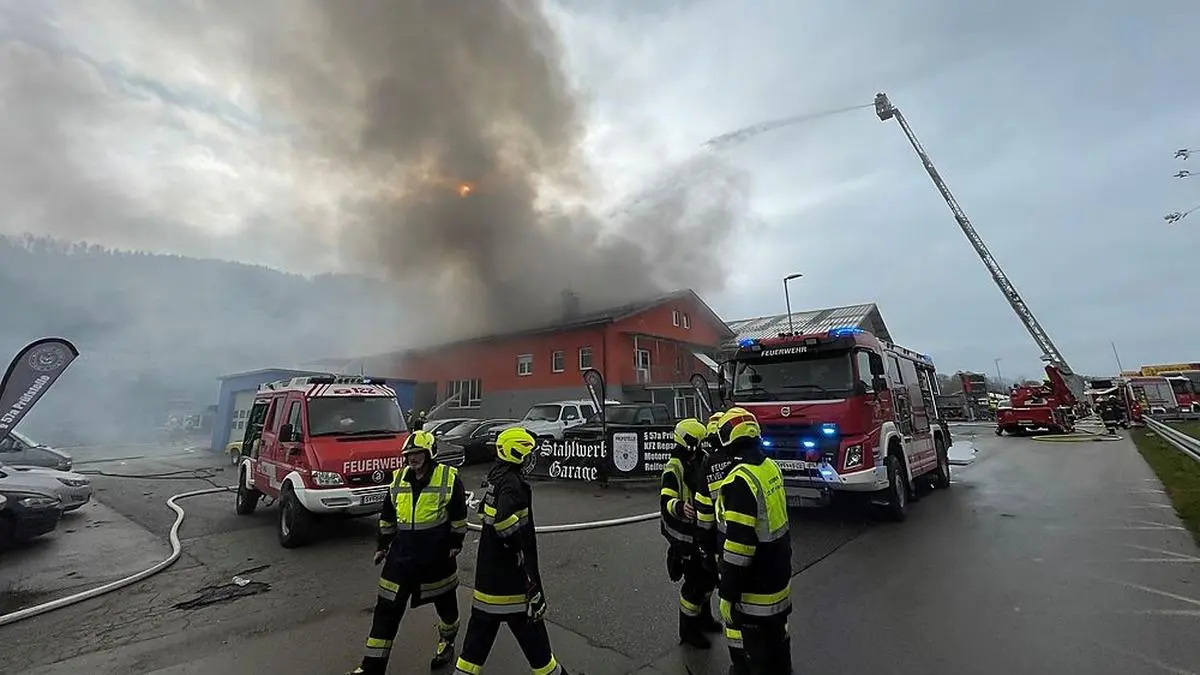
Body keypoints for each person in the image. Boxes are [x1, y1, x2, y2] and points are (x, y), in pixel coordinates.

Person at [454, 427, 575, 675]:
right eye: (528, 454)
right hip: (512, 585)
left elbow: (485, 515)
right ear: (516, 453)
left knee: (473, 651)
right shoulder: (512, 485)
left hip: (487, 583)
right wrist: (518, 547)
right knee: (538, 648)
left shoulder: (496, 478)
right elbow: (502, 521)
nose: (532, 459)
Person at [346, 430, 468, 675]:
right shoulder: (398, 479)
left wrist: (456, 542)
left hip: (437, 555)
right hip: (401, 556)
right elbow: (388, 516)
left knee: (446, 604)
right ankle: (371, 667)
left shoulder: (448, 478)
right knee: (386, 611)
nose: (412, 458)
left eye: (417, 453)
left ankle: (447, 640)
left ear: (429, 453)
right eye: (409, 454)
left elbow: (458, 515)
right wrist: (382, 545)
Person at [714, 407, 793, 675]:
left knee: (757, 655)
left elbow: (739, 548)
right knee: (779, 642)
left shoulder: (739, 480)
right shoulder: (770, 467)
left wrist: (728, 592)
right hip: (779, 574)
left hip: (754, 585)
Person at [661, 418, 723, 649]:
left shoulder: (702, 458)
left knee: (708, 577)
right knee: (694, 583)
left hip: (701, 530)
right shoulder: (674, 466)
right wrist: (679, 507)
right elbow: (666, 498)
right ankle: (688, 630)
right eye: (696, 441)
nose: (699, 444)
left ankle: (704, 619)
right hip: (684, 535)